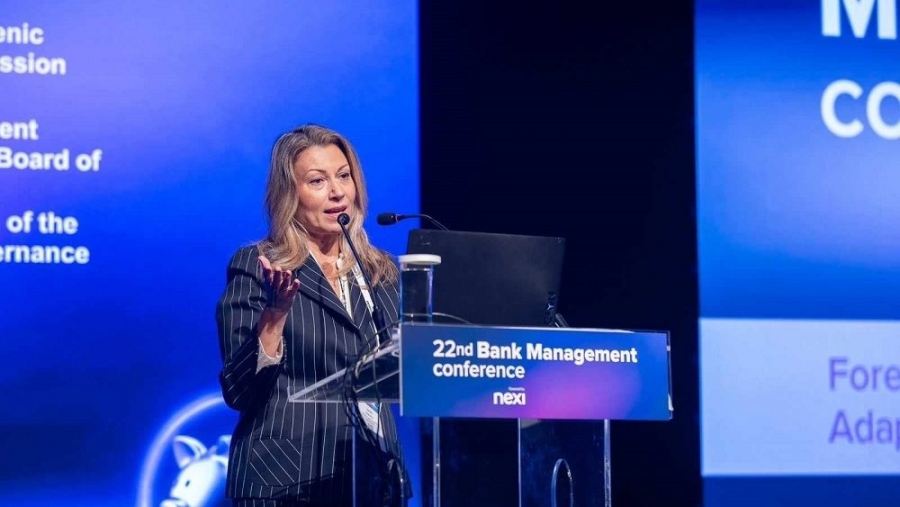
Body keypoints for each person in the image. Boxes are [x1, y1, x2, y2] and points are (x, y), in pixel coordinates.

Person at [216, 124, 408, 507]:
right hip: (286, 482)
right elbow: (239, 392)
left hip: (374, 480)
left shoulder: (381, 271)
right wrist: (276, 314)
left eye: (344, 176)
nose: (338, 192)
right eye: (317, 181)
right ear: (289, 195)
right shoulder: (259, 265)